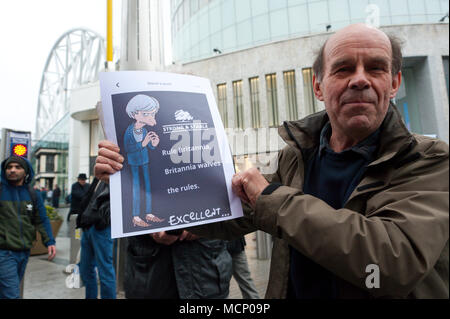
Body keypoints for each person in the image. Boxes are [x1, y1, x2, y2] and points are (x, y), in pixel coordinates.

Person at [94, 23, 449, 299]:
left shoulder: (429, 160)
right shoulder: (296, 156)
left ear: (395, 83)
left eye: (375, 68)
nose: (359, 79)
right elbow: (231, 212)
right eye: (343, 69)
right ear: (319, 87)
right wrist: (137, 181)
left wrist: (273, 200)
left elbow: (390, 262)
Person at [0, 155, 56, 299]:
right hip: (4, 253)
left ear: (25, 172)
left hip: (24, 252)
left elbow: (41, 219)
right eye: (9, 167)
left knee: (8, 291)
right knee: (12, 294)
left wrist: (49, 241)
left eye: (17, 167)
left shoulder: (33, 194)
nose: (12, 170)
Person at [124, 94, 164, 227]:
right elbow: (128, 148)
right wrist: (143, 143)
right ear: (135, 114)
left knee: (147, 187)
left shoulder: (145, 129)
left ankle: (148, 213)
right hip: (134, 163)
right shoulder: (129, 132)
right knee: (136, 188)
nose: (151, 117)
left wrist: (154, 143)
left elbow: (149, 146)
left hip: (145, 161)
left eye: (152, 114)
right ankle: (136, 216)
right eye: (147, 114)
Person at [77, 178, 116, 299]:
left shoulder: (117, 175)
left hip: (102, 228)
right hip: (88, 226)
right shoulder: (98, 176)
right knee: (85, 269)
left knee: (105, 271)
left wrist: (103, 221)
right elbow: (88, 199)